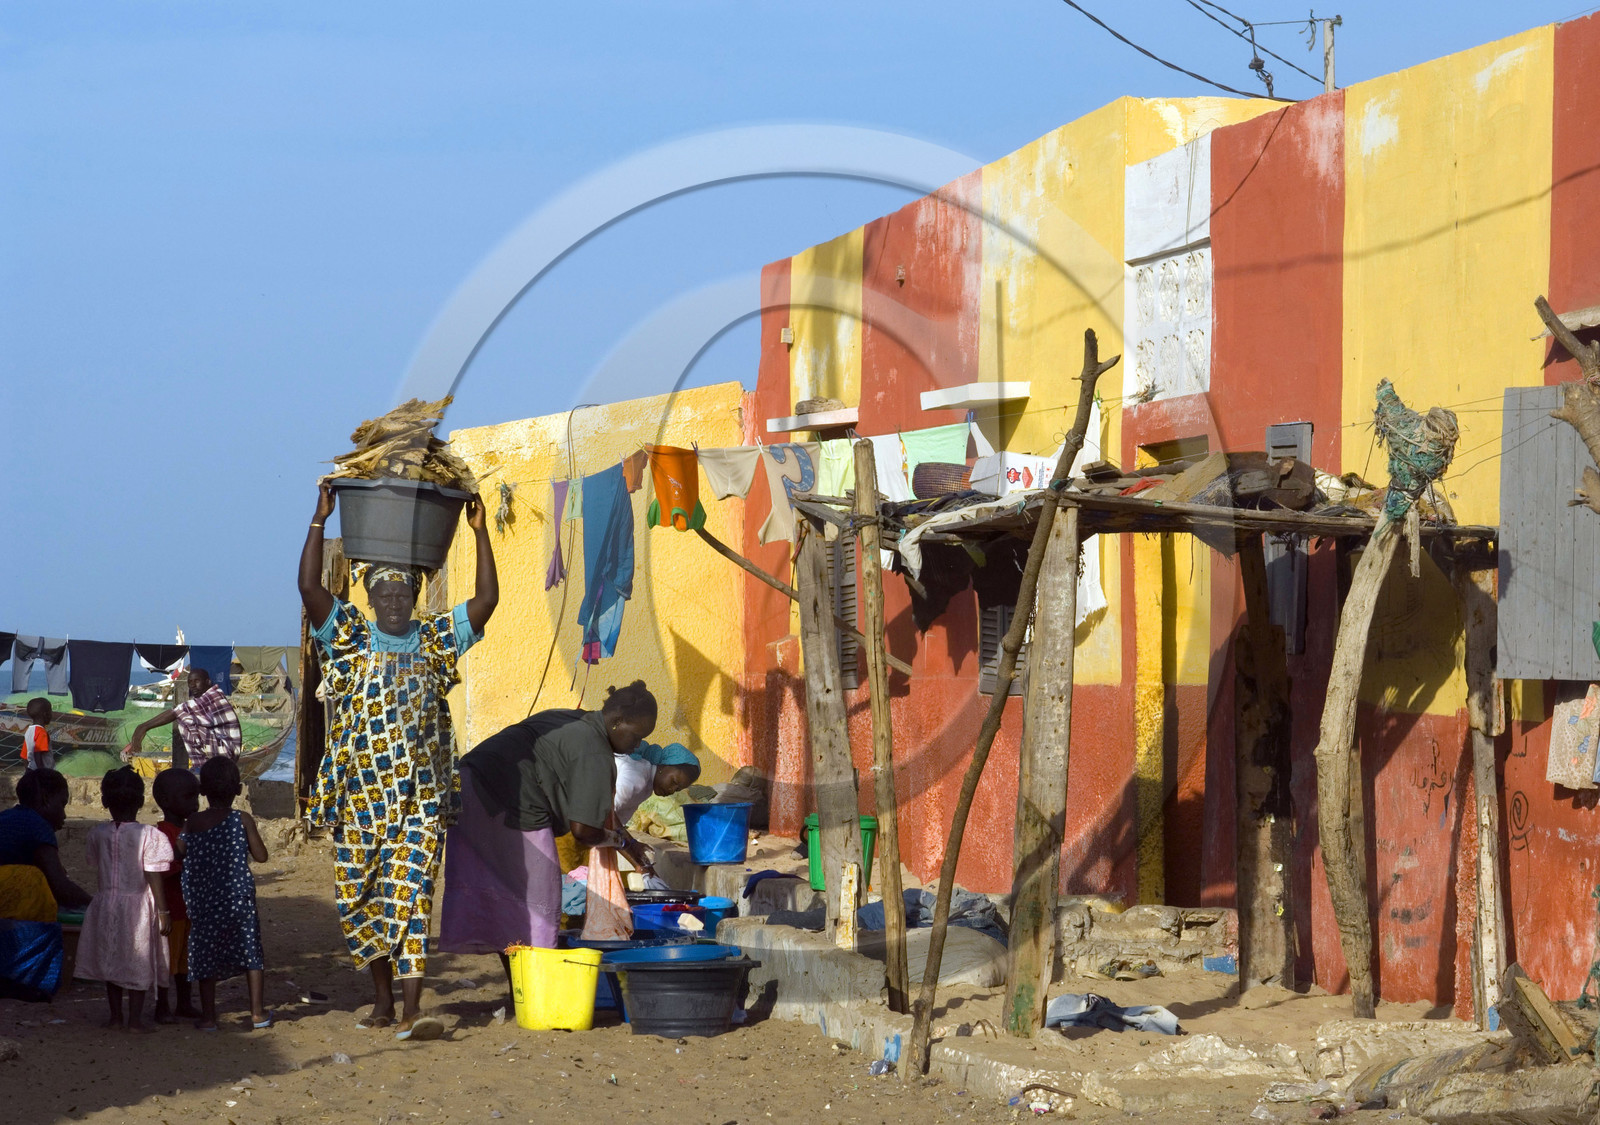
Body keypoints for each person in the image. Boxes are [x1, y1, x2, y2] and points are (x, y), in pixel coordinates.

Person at [299, 481, 498, 1040]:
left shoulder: (435, 640)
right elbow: (309, 587)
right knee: (359, 896)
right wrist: (319, 521)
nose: (393, 604)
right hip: (360, 801)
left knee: (412, 900)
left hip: (420, 800)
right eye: (383, 597)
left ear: (413, 598)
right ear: (370, 599)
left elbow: (485, 602)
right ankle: (382, 1002)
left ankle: (412, 1009)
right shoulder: (351, 641)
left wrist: (481, 535)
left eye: (401, 597)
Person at [438, 682, 657, 992]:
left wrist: (632, 848)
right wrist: (620, 842)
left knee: (506, 897)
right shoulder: (594, 750)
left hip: (469, 786)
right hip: (506, 799)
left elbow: (599, 811)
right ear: (617, 721)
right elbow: (584, 831)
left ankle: (522, 989)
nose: (636, 746)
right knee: (540, 900)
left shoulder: (575, 719)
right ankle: (537, 991)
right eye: (635, 736)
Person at [75, 767, 174, 1031]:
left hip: (107, 904)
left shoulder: (97, 834)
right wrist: (163, 912)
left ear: (105, 801)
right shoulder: (150, 836)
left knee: (112, 958)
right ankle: (134, 1020)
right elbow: (153, 876)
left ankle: (115, 1017)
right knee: (137, 961)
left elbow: (94, 863)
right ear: (141, 801)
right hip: (139, 906)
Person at [183, 756, 269, 1031]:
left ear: (202, 791)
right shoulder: (242, 819)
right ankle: (257, 1013)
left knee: (206, 954)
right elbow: (261, 856)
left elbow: (180, 851)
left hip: (205, 900)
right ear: (238, 789)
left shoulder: (193, 822)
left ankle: (209, 1017)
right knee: (250, 952)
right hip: (239, 898)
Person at [0, 769, 92, 1000]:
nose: (64, 814)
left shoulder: (8, 818)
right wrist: (96, 905)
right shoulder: (36, 824)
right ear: (45, 800)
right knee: (33, 882)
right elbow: (60, 886)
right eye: (62, 804)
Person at [152, 768, 201, 1024]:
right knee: (166, 962)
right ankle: (162, 1006)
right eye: (188, 797)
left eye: (196, 797)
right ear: (166, 800)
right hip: (171, 910)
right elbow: (160, 870)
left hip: (189, 909)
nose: (195, 803)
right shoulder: (161, 834)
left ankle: (184, 1003)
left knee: (185, 961)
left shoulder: (193, 830)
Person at [125, 667, 242, 770]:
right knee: (185, 716)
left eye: (197, 681)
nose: (192, 685)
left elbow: (178, 711)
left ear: (208, 682)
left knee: (184, 717)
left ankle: (200, 765)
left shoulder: (213, 697)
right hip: (225, 750)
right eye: (190, 682)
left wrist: (143, 727)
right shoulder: (205, 699)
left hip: (228, 753)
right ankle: (201, 765)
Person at [21, 698, 53, 772]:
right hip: (43, 770)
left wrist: (27, 771)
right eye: (51, 711)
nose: (52, 714)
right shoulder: (42, 733)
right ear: (46, 714)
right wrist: (42, 773)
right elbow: (37, 753)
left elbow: (24, 755)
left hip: (30, 769)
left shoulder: (29, 731)